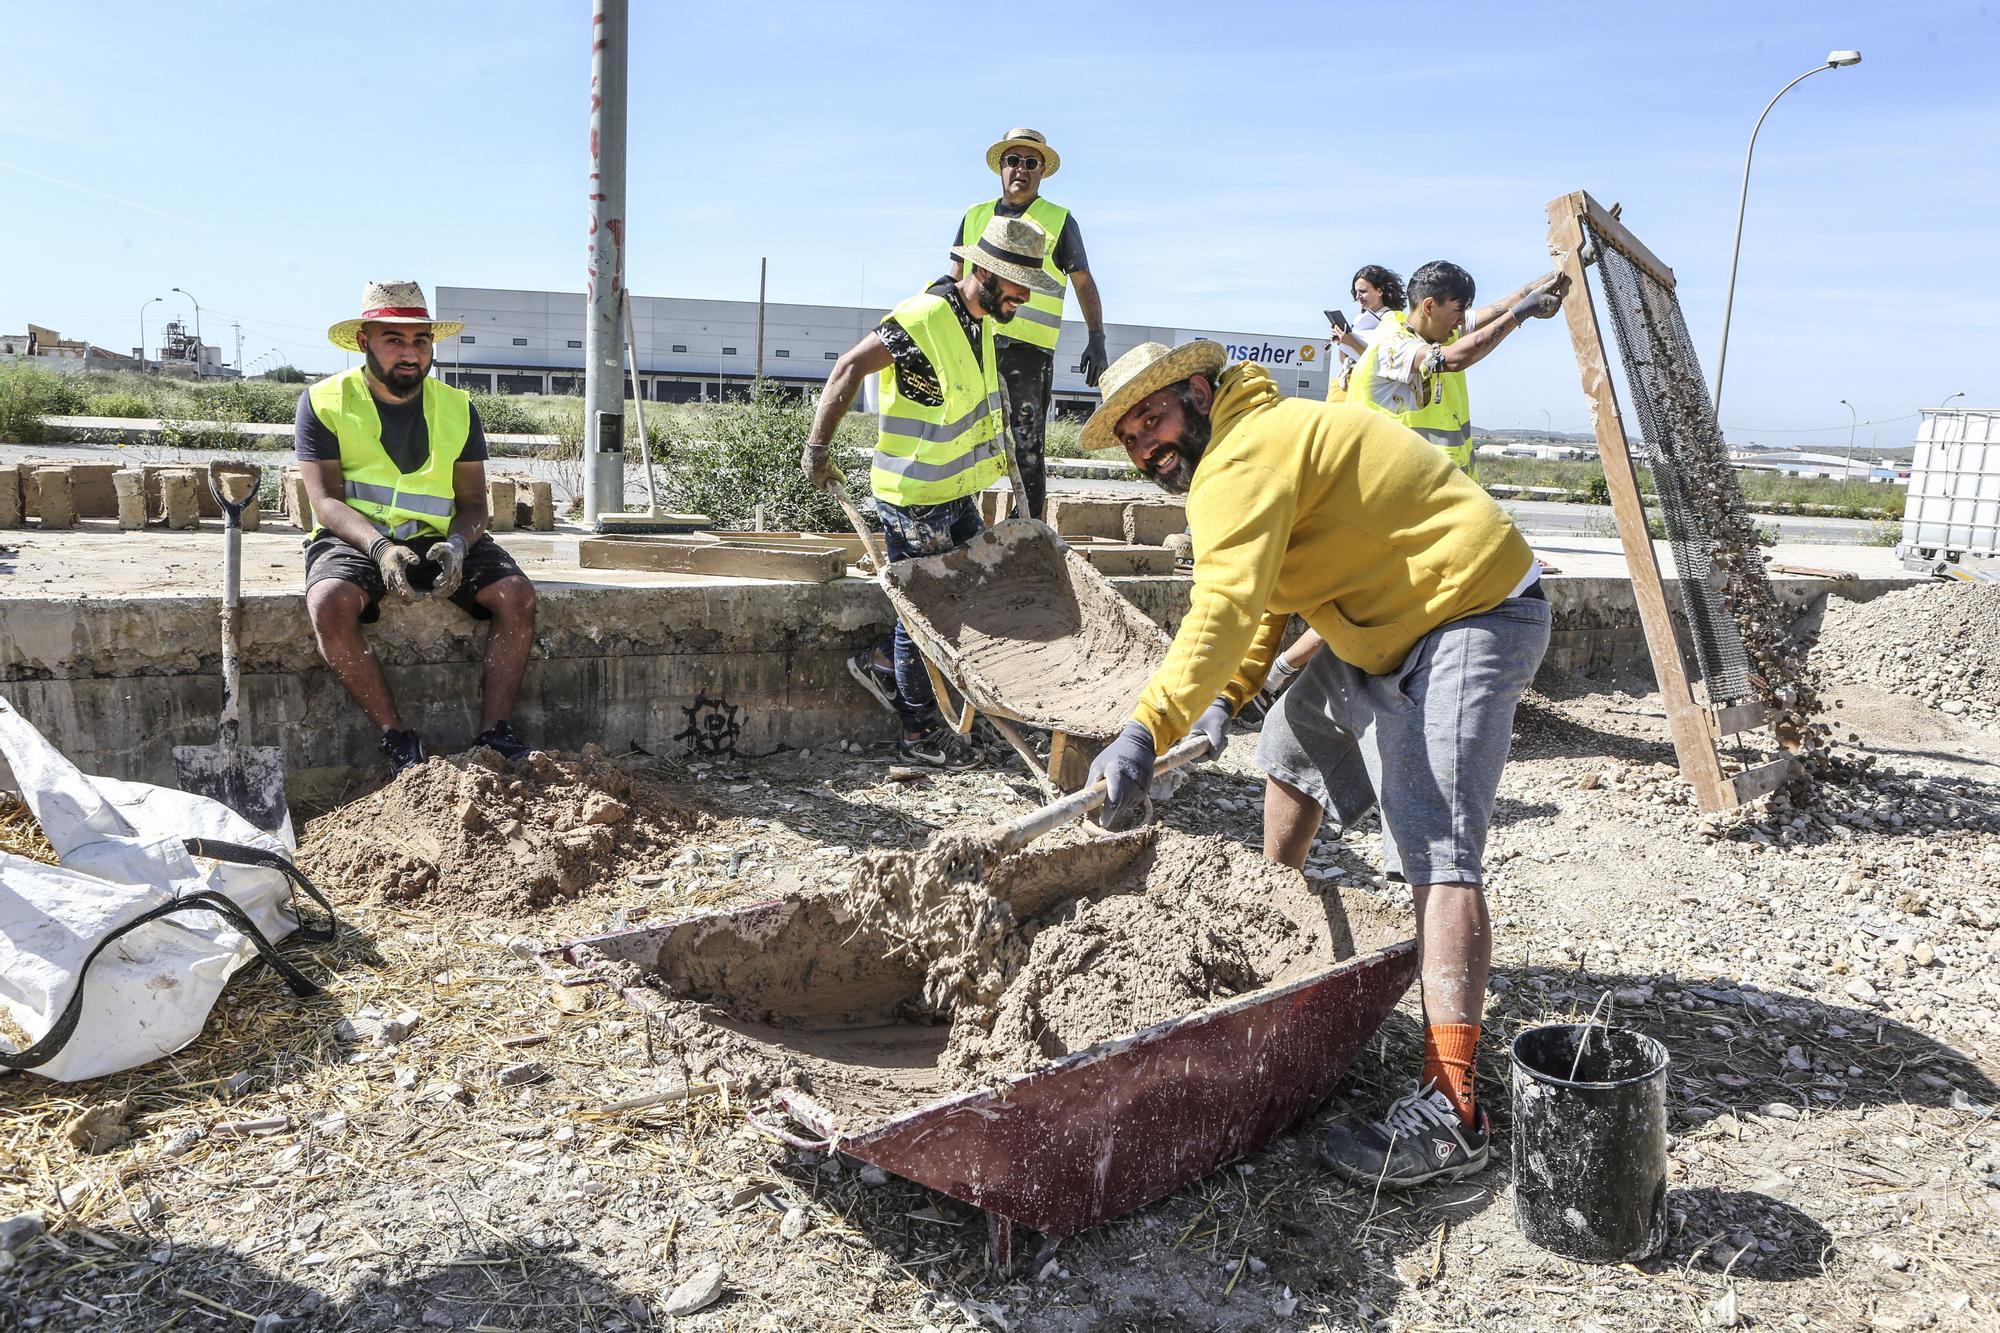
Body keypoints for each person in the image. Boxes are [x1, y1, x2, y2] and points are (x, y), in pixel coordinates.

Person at [1078, 339, 1553, 1189]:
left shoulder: (1239, 458)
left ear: (1196, 390)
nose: (1146, 446)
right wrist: (1229, 695)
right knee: (1291, 745)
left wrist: (1147, 727)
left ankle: (1454, 1111)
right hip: (1394, 612)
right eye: (1129, 437)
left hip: (1470, 608)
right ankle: (1272, 928)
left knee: (1435, 845)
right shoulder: (1256, 438)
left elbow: (1221, 604)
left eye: (1152, 418)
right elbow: (1268, 591)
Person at [801, 216, 1060, 767]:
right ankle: (916, 729)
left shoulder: (982, 321)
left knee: (968, 592)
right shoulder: (924, 317)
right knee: (927, 610)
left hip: (952, 493)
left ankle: (889, 668)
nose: (1022, 300)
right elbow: (849, 366)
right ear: (987, 272)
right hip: (915, 496)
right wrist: (819, 449)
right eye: (1017, 288)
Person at [297, 280, 538, 773]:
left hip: (439, 539)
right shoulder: (323, 402)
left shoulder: (457, 407)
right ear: (364, 342)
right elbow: (326, 503)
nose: (410, 353)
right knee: (329, 602)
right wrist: (381, 549)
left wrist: (457, 543)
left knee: (517, 596)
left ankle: (495, 733)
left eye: (420, 341)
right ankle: (397, 737)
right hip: (358, 535)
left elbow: (473, 503)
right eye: (394, 339)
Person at [950, 128, 1109, 520]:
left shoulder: (1058, 220)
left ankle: (1028, 528)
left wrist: (1096, 336)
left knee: (1026, 445)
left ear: (1041, 172)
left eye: (1031, 163)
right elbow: (955, 276)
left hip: (1028, 354)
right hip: (976, 345)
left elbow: (1083, 281)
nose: (1021, 169)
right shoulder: (975, 216)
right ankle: (960, 523)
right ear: (1001, 167)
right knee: (965, 438)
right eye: (1013, 161)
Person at [1343, 259, 1567, 477]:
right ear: (1429, 306)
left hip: (1433, 490)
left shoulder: (1435, 330)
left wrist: (1567, 270)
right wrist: (1522, 313)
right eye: (1457, 311)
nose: (1461, 322)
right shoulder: (1394, 343)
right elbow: (1451, 359)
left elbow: (1511, 302)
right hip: (1393, 489)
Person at [1327, 264, 1405, 398]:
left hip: (1371, 391)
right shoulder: (1359, 319)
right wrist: (1342, 341)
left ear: (1379, 291)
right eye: (1356, 292)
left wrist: (1351, 342)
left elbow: (1380, 364)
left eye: (1363, 291)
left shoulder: (1391, 320)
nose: (1358, 296)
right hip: (1350, 386)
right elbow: (1345, 360)